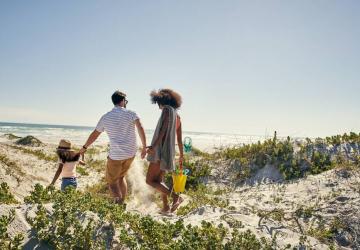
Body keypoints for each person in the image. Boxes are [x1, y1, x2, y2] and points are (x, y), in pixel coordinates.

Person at [80, 90, 147, 205]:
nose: (126, 103)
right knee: (121, 177)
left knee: (112, 182)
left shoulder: (106, 117)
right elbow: (140, 128)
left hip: (116, 155)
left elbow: (95, 134)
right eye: (126, 101)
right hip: (130, 153)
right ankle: (122, 201)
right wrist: (144, 147)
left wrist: (85, 147)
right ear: (122, 101)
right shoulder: (131, 113)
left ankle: (119, 204)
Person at [146, 89, 184, 213]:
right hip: (169, 152)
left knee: (150, 180)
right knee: (159, 180)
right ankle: (166, 206)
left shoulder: (167, 110)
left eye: (158, 104)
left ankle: (176, 197)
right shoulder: (177, 116)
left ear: (162, 101)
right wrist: (181, 155)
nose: (159, 108)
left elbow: (163, 130)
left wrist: (153, 146)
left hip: (160, 151)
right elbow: (179, 139)